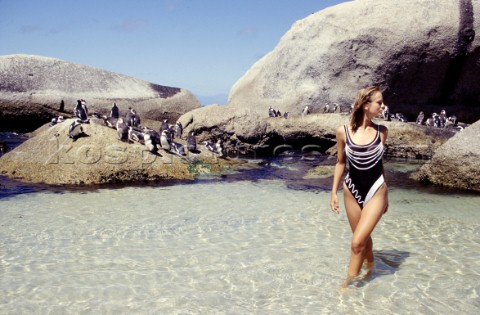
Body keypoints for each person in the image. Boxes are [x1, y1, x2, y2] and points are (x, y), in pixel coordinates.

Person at [329, 86, 389, 286]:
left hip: (376, 190)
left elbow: (380, 163)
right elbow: (340, 163)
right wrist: (333, 193)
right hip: (351, 190)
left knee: (356, 243)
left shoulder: (382, 131)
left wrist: (385, 198)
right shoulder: (343, 132)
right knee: (363, 240)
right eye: (379, 103)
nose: (383, 106)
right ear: (365, 105)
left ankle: (348, 286)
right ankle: (371, 268)